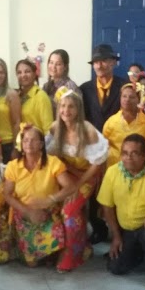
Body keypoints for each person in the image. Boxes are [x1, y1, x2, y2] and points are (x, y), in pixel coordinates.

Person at [47, 89, 108, 272]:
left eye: (71, 106)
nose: (66, 110)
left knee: (69, 211)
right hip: (67, 173)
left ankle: (73, 254)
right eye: (63, 106)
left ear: (78, 109)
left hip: (86, 176)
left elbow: (97, 164)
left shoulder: (88, 131)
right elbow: (50, 154)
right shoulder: (54, 128)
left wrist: (77, 185)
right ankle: (81, 247)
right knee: (57, 207)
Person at [3, 125, 75, 268]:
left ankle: (53, 253)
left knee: (54, 243)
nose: (28, 144)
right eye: (25, 140)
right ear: (22, 145)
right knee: (32, 263)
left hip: (48, 212)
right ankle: (36, 253)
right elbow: (7, 194)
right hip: (24, 213)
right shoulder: (13, 166)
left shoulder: (53, 162)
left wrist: (49, 200)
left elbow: (70, 187)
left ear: (41, 144)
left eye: (33, 140)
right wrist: (28, 212)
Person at [97, 134, 145, 284]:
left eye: (134, 153)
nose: (128, 157)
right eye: (125, 153)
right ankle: (139, 256)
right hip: (126, 230)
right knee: (115, 268)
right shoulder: (113, 172)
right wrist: (115, 236)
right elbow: (107, 206)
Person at [103, 83, 145, 167]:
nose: (127, 99)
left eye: (132, 97)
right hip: (113, 169)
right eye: (124, 96)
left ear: (139, 99)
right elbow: (102, 150)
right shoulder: (111, 122)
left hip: (139, 170)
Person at [80, 44, 127, 131]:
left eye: (103, 61)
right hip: (93, 141)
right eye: (96, 62)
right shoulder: (84, 89)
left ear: (113, 62)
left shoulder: (124, 87)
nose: (99, 66)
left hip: (117, 140)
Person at [16, 59, 53, 134]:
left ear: (34, 74)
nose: (23, 75)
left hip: (37, 143)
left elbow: (48, 128)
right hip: (22, 142)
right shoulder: (17, 97)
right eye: (19, 72)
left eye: (27, 71)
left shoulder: (41, 96)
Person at [43, 50, 81, 115]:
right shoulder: (46, 86)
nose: (53, 67)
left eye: (58, 64)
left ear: (65, 67)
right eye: (51, 62)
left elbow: (77, 112)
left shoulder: (70, 86)